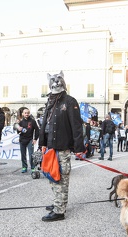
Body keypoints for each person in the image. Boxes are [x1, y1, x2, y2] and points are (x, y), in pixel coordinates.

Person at [38, 71, 84, 222]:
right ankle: (58, 202)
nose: (56, 83)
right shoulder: (50, 100)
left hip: (63, 146)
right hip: (50, 146)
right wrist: (42, 143)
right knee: (52, 176)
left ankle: (59, 211)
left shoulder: (70, 101)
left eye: (59, 80)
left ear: (63, 82)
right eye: (53, 80)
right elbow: (45, 123)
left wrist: (79, 148)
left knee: (62, 178)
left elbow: (77, 126)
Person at [16, 108, 39, 173]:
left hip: (30, 140)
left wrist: (35, 139)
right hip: (22, 140)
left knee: (31, 154)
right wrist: (18, 129)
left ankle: (32, 167)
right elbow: (17, 131)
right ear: (23, 114)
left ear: (29, 113)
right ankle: (24, 167)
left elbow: (37, 130)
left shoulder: (32, 121)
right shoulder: (20, 122)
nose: (27, 114)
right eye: (25, 113)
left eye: (28, 113)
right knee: (23, 154)